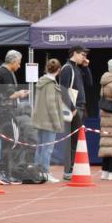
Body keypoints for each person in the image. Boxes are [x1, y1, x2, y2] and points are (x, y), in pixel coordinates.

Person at [0, 50, 27, 185]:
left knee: (9, 141)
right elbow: (7, 95)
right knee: (11, 141)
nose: (19, 66)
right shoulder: (5, 73)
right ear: (13, 61)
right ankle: (3, 171)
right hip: (5, 112)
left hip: (2, 112)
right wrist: (19, 93)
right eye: (19, 63)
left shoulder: (2, 72)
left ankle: (5, 171)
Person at [31, 59, 66, 183]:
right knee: (47, 149)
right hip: (48, 122)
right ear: (59, 70)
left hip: (39, 120)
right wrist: (57, 123)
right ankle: (45, 172)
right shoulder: (51, 84)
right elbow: (51, 105)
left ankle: (37, 172)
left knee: (40, 147)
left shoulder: (41, 82)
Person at [59, 45, 90, 180]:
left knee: (76, 140)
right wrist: (72, 108)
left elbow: (89, 83)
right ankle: (68, 170)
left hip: (80, 107)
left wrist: (86, 67)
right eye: (83, 55)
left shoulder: (77, 67)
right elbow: (63, 90)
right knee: (71, 141)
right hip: (74, 108)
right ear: (75, 53)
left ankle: (72, 168)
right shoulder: (67, 68)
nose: (85, 57)